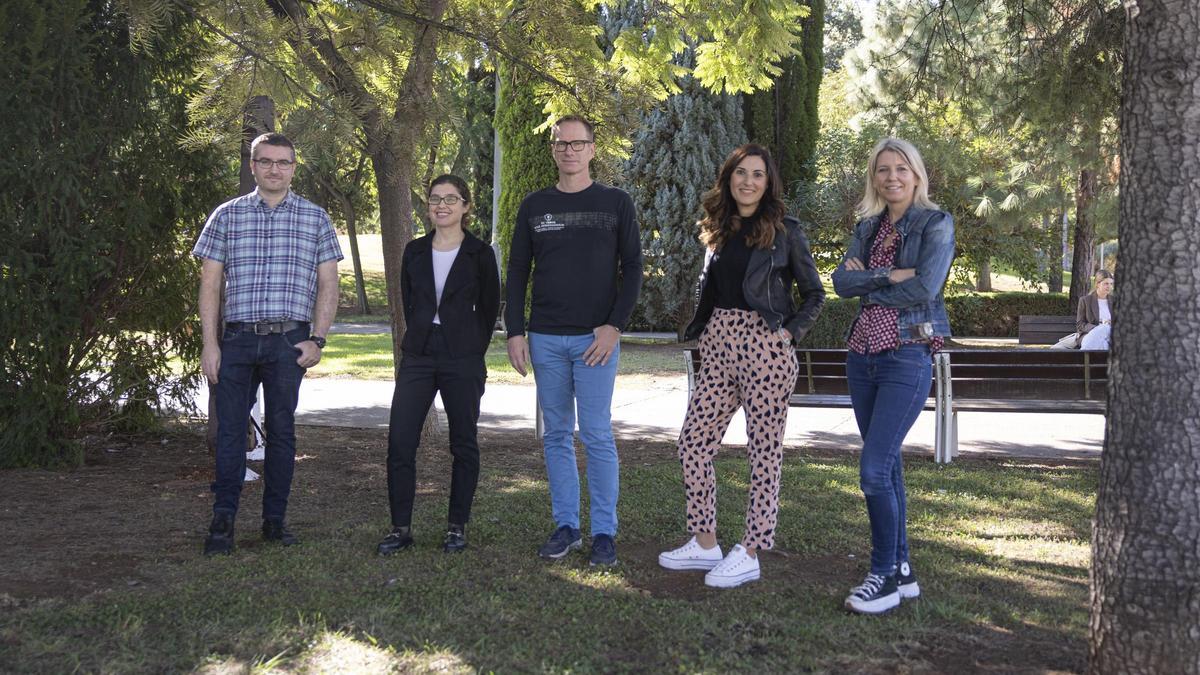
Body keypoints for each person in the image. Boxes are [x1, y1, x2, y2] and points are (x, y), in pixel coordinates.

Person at [658, 144, 825, 588]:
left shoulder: (786, 231)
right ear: (728, 178)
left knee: (763, 452)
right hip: (717, 345)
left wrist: (787, 334)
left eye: (757, 174)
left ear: (768, 183)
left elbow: (815, 294)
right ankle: (705, 542)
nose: (748, 181)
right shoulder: (717, 229)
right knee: (693, 442)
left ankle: (751, 549)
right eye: (740, 173)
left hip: (765, 348)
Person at [193, 132, 342, 555]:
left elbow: (328, 285)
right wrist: (210, 343)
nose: (275, 169)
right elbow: (209, 285)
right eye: (266, 161)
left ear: (294, 167)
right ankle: (222, 522)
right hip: (236, 341)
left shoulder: (315, 218)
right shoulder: (226, 215)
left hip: (289, 343)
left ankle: (274, 523)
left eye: (284, 162)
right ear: (253, 165)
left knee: (282, 434)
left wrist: (318, 339)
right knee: (229, 434)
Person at [504, 115, 643, 566]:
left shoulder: (616, 203)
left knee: (598, 434)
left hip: (596, 340)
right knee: (557, 435)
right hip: (545, 338)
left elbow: (634, 270)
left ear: (592, 148)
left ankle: (604, 532)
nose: (569, 150)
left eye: (577, 143)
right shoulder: (534, 206)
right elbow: (518, 272)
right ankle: (566, 526)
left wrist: (614, 325)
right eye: (561, 144)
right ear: (553, 150)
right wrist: (516, 331)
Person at [830, 137, 955, 614]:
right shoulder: (867, 227)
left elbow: (926, 285)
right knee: (889, 466)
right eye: (883, 170)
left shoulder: (935, 223)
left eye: (901, 168)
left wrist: (873, 279)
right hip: (862, 356)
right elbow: (842, 284)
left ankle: (881, 574)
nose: (892, 177)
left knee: (872, 468)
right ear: (874, 178)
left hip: (907, 353)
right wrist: (889, 275)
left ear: (917, 175)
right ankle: (901, 571)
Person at [377, 175, 500, 555]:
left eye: (451, 199)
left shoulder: (481, 253)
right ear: (427, 206)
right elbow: (408, 300)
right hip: (418, 354)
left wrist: (471, 349)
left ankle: (456, 528)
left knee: (463, 443)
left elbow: (491, 307)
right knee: (400, 441)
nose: (441, 205)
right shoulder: (414, 251)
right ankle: (400, 528)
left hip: (462, 355)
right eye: (435, 199)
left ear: (465, 206)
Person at [1076, 270, 1114, 350]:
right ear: (1097, 284)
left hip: (1110, 336)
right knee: (1104, 330)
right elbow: (1080, 324)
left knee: (1105, 341)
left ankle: (1083, 357)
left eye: (1111, 284)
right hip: (1089, 335)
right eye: (1106, 284)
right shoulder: (1085, 300)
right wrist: (1097, 328)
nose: (1109, 287)